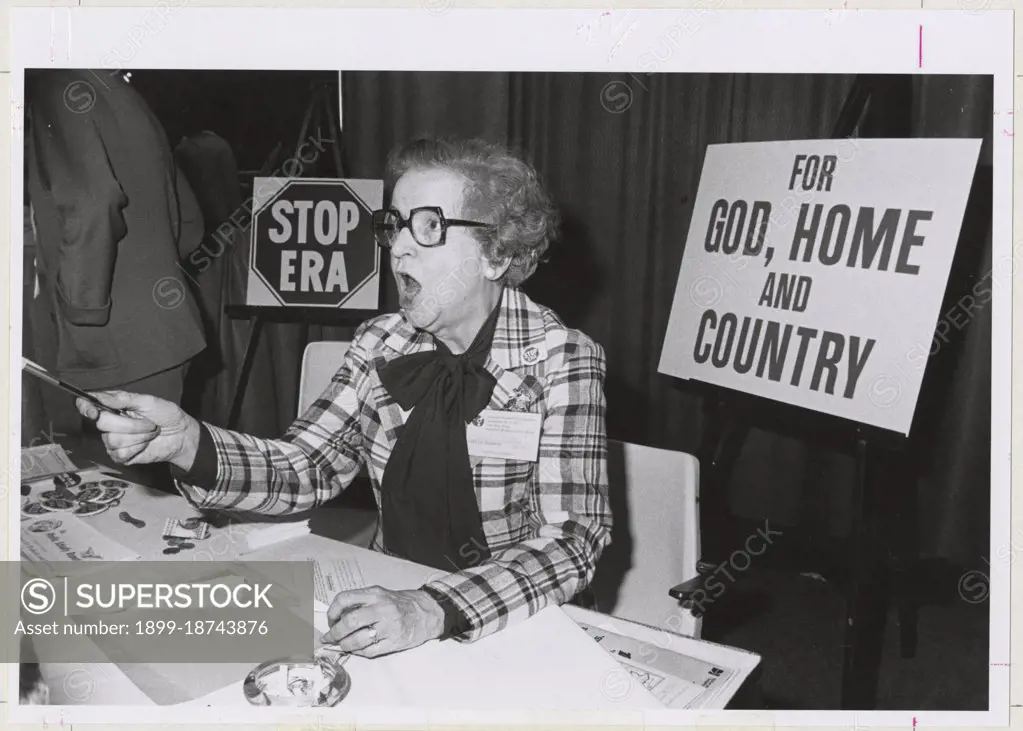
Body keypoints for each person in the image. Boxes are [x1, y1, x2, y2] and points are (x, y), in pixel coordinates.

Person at [77, 137, 612, 657]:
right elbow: (307, 466)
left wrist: (431, 608)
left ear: (496, 256)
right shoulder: (381, 342)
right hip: (388, 594)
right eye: (395, 225)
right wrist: (187, 443)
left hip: (512, 620)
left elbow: (571, 541)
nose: (399, 246)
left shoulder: (562, 359)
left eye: (429, 227)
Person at [25, 68, 207, 424]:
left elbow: (92, 201)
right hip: (167, 334)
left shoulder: (56, 86)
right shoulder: (125, 95)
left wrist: (82, 310)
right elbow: (191, 226)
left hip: (106, 346)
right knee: (148, 477)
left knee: (99, 476)